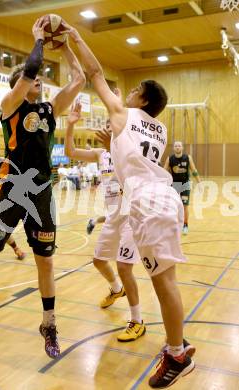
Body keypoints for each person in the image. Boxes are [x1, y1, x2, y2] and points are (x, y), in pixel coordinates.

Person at [63, 24, 195, 388]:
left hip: (147, 203)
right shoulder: (159, 129)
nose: (129, 92)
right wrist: (114, 144)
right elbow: (132, 159)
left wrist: (75, 37)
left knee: (164, 282)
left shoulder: (124, 114)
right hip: (159, 197)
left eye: (135, 90)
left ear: (142, 101)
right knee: (164, 279)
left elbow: (94, 73)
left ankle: (177, 355)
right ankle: (177, 341)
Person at [0, 17, 85, 360]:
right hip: (12, 190)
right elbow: (31, 67)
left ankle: (48, 322)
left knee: (45, 263)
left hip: (42, 193)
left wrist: (69, 45)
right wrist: (38, 40)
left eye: (40, 80)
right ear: (20, 85)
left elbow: (79, 79)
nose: (40, 81)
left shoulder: (49, 109)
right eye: (34, 80)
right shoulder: (9, 107)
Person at [65, 101, 145, 342]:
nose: (109, 127)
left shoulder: (130, 148)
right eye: (107, 124)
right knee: (99, 261)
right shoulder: (101, 154)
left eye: (113, 124)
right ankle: (116, 289)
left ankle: (137, 320)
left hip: (131, 215)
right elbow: (70, 153)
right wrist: (69, 126)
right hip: (112, 216)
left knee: (124, 267)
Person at [164, 141, 201, 235]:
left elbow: (194, 170)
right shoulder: (170, 159)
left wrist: (199, 182)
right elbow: (164, 172)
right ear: (173, 148)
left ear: (182, 148)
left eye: (179, 146)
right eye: (176, 146)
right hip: (174, 185)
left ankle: (185, 225)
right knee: (174, 206)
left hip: (185, 185)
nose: (177, 147)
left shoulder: (188, 157)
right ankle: (174, 224)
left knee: (185, 206)